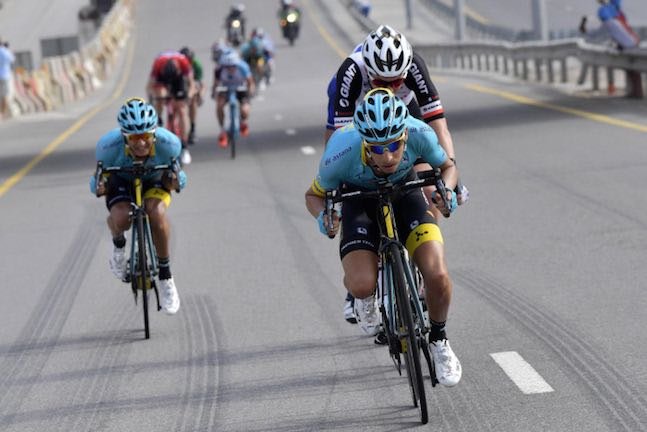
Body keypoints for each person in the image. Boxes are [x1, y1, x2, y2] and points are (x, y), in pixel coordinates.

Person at [305, 88, 462, 387]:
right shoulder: (340, 150)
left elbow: (447, 167)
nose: (387, 156)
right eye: (376, 148)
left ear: (405, 136)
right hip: (359, 202)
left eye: (394, 145)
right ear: (363, 141)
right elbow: (313, 195)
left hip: (406, 195)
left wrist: (446, 191)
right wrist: (323, 218)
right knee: (361, 284)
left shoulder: (419, 132)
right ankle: (366, 298)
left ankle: (439, 339)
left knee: (438, 275)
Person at [327, 25, 469, 325]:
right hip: (360, 120)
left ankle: (421, 259)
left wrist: (448, 175)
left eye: (396, 81)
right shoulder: (352, 71)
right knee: (360, 186)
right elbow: (335, 137)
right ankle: (363, 272)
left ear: (405, 71)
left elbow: (437, 123)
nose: (389, 87)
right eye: (380, 81)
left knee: (430, 187)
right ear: (370, 72)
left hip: (404, 116)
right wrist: (338, 189)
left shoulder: (414, 64)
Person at [90, 97, 187, 315]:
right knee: (122, 219)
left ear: (154, 133)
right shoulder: (107, 147)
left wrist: (175, 180)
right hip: (121, 181)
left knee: (156, 212)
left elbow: (181, 178)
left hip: (154, 181)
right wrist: (99, 187)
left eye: (145, 136)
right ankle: (118, 245)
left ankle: (165, 276)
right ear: (124, 136)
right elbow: (95, 181)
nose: (140, 143)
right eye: (134, 138)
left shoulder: (170, 144)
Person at [146, 50, 195, 165]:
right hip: (162, 80)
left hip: (179, 81)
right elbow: (149, 87)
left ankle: (184, 145)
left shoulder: (183, 62)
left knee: (182, 109)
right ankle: (159, 119)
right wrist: (154, 100)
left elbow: (191, 84)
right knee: (160, 95)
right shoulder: (158, 64)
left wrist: (188, 96)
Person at [212, 48, 255, 148]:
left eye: (233, 66)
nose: (230, 69)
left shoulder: (243, 67)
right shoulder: (219, 69)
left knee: (245, 109)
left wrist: (250, 92)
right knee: (219, 105)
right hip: (225, 89)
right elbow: (215, 84)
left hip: (241, 89)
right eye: (228, 67)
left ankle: (243, 122)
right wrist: (214, 92)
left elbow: (250, 82)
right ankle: (222, 130)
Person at [179, 46, 204, 145]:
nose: (187, 62)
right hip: (179, 82)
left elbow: (199, 83)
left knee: (193, 98)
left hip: (192, 82)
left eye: (189, 60)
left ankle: (192, 128)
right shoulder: (177, 63)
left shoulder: (197, 65)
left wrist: (199, 95)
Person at [0, 38, 14, 119]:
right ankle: (2, 113)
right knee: (4, 95)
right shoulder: (5, 51)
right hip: (5, 76)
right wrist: (7, 49)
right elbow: (12, 59)